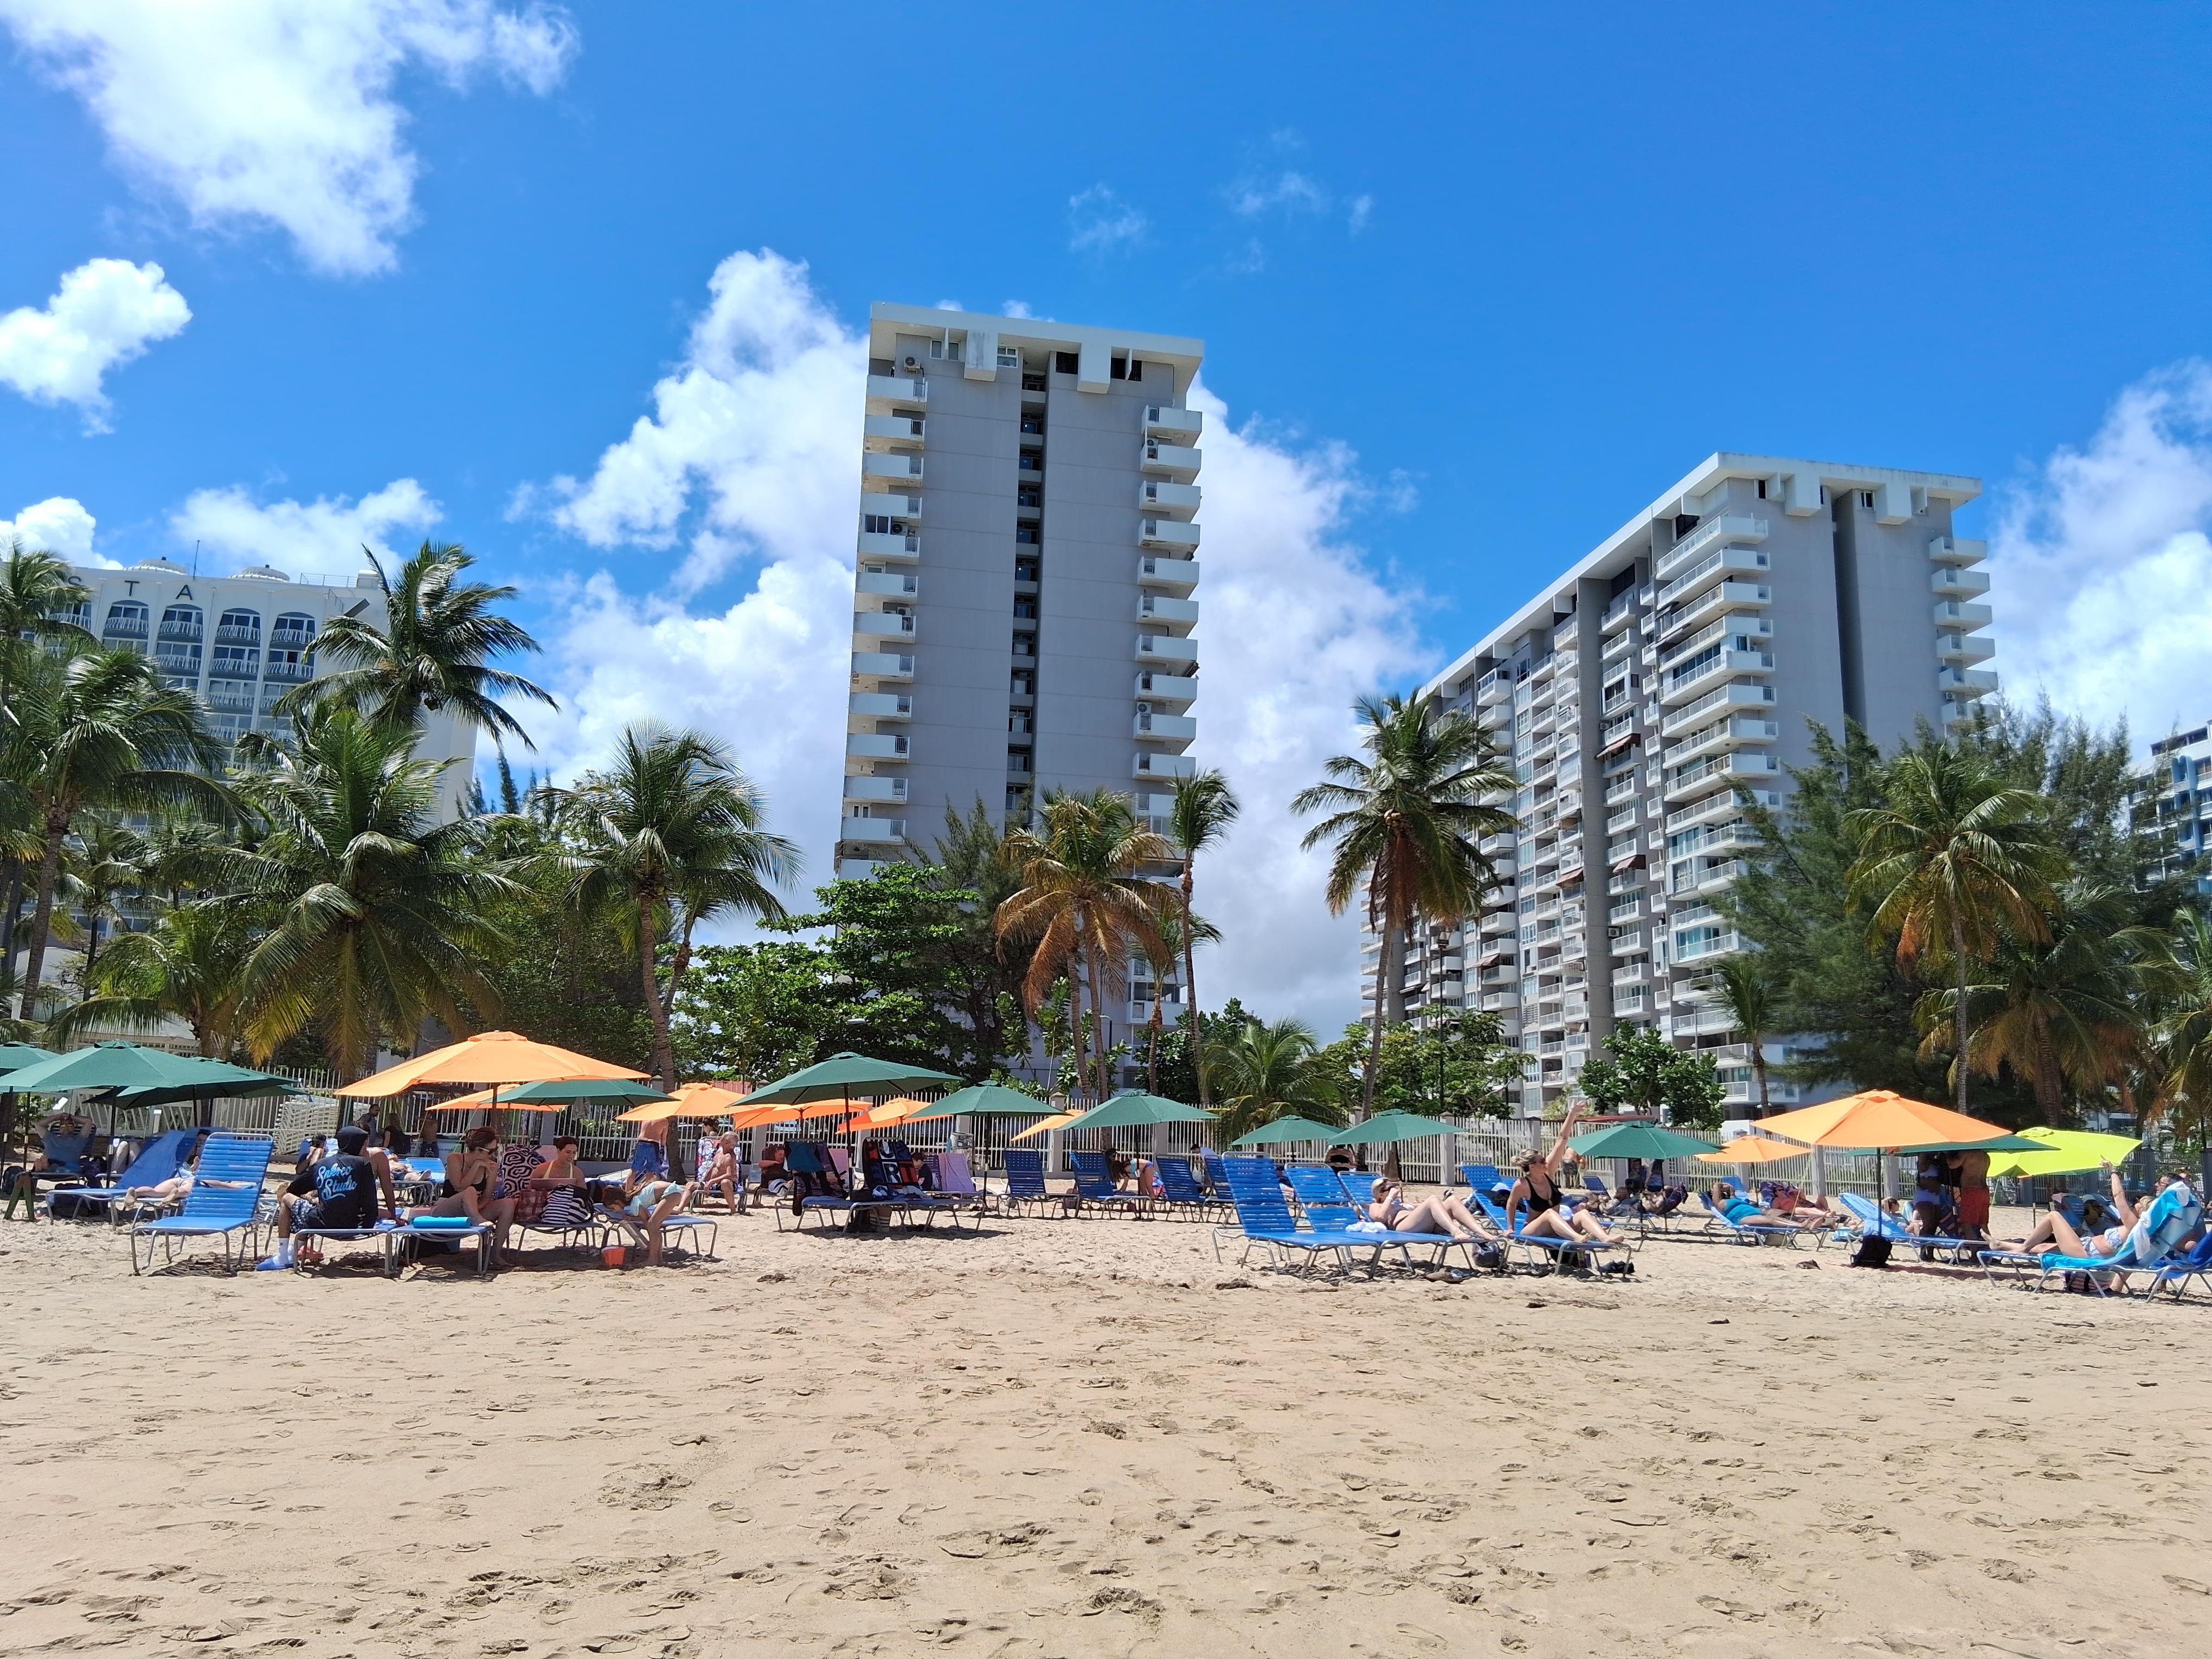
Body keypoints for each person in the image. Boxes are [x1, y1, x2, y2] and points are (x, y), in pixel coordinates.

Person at [261, 1126, 394, 1268]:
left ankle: (283, 1255)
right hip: (352, 1224)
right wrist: (368, 1223)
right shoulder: (363, 1164)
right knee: (318, 1209)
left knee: (288, 1198)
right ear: (362, 1144)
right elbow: (370, 1199)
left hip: (322, 1223)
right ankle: (293, 1250)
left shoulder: (322, 1165)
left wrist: (315, 1198)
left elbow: (293, 1189)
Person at [1506, 1104, 1626, 1248]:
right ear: (1532, 1166)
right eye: (1542, 1161)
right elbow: (1511, 1204)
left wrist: (1573, 1113)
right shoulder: (1523, 1184)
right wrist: (1510, 1228)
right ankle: (1576, 1238)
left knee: (1582, 1214)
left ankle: (1605, 1238)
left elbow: (1562, 1139)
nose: (1546, 1162)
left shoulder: (1548, 1174)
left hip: (1558, 1228)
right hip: (1534, 1231)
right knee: (1550, 1213)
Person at [410, 1126, 516, 1251]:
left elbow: (487, 1196)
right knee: (470, 1190)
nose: (493, 1155)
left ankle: (495, 1253)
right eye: (491, 1151)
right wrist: (476, 1166)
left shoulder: (491, 1167)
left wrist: (476, 1208)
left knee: (508, 1204)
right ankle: (477, 1219)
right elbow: (459, 1187)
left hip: (474, 1209)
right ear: (478, 1150)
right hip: (446, 1208)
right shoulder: (455, 1158)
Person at [1366, 1175, 1500, 1245]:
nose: (1392, 1190)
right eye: (1388, 1189)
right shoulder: (1375, 1206)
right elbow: (1380, 1218)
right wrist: (1390, 1198)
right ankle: (1455, 1231)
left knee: (1452, 1200)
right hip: (1403, 1227)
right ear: (1380, 1195)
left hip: (1423, 1224)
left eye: (1392, 1187)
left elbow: (1429, 1207)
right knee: (1432, 1199)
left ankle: (1480, 1232)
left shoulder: (1401, 1203)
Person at [608, 1169, 698, 1266]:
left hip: (671, 1193)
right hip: (673, 1191)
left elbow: (646, 1221)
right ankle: (658, 1259)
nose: (614, 1211)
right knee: (654, 1227)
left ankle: (652, 1259)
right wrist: (632, 1219)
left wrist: (649, 1241)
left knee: (652, 1226)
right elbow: (647, 1217)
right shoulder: (635, 1199)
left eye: (613, 1208)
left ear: (618, 1202)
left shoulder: (634, 1205)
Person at [1708, 1182, 1831, 1231]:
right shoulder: (1719, 1203)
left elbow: (1730, 1188)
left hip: (1758, 1212)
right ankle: (1802, 1226)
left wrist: (1728, 1187)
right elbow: (1716, 1185)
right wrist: (1717, 1187)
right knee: (1771, 1221)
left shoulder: (1732, 1199)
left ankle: (1812, 1223)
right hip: (1743, 1218)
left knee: (1781, 1215)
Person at [530, 1135, 593, 1230]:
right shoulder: (542, 1169)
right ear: (559, 1151)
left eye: (574, 1153)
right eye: (568, 1152)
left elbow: (583, 1196)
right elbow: (529, 1190)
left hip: (567, 1211)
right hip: (542, 1209)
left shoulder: (577, 1172)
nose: (571, 1156)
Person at [1950, 1146, 1992, 1242]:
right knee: (1983, 1225)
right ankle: (1989, 1250)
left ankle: (1974, 1253)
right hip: (1984, 1191)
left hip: (1971, 1190)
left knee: (1967, 1224)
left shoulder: (1967, 1153)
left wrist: (1947, 1154)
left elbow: (1952, 1165)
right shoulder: (1985, 1156)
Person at [696, 1131, 742, 1212]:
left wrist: (711, 1181)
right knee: (690, 1185)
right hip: (713, 1183)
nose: (720, 1137)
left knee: (725, 1182)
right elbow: (713, 1167)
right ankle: (680, 1209)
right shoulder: (719, 1152)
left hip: (726, 1184)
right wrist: (704, 1181)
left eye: (723, 1137)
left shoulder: (729, 1156)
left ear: (727, 1143)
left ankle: (733, 1210)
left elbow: (729, 1175)